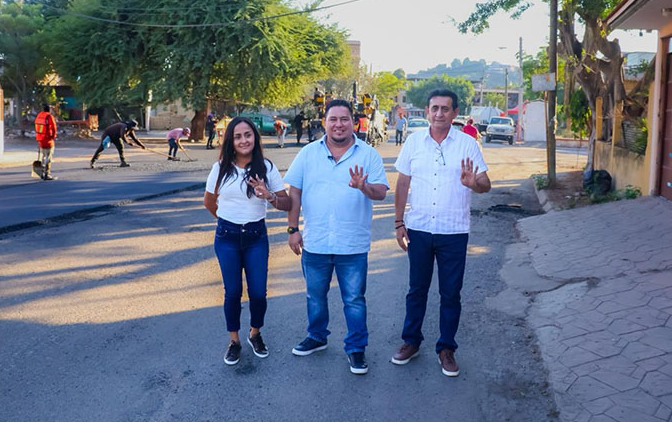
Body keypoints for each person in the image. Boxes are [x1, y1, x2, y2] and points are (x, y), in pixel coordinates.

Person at [284, 99, 389, 375]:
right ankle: (317, 337)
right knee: (315, 295)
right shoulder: (308, 154)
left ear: (353, 122)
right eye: (333, 119)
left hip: (352, 244)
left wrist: (364, 187)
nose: (339, 124)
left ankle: (356, 348)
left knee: (354, 299)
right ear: (325, 122)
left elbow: (381, 192)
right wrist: (293, 229)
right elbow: (294, 192)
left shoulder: (368, 155)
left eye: (344, 119)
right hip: (316, 242)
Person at [391, 89, 491, 377]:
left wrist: (473, 183)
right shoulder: (413, 142)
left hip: (453, 232)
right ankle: (411, 342)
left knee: (451, 293)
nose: (439, 114)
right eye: (434, 108)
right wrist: (399, 222)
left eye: (445, 109)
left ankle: (446, 348)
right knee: (416, 290)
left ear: (454, 113)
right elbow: (402, 184)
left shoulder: (467, 144)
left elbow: (485, 184)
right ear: (427, 111)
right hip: (419, 229)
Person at [204, 117, 291, 365]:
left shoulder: (266, 167)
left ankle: (255, 334)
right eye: (238, 136)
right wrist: (227, 221)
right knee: (232, 292)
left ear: (255, 137)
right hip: (227, 237)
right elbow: (209, 202)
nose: (244, 140)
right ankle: (234, 341)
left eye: (248, 135)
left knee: (258, 293)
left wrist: (269, 195)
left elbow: (286, 203)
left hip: (256, 237)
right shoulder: (220, 168)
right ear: (231, 140)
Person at [34, 104, 58, 180]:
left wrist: (39, 136)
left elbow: (36, 126)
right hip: (48, 139)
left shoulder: (39, 115)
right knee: (49, 156)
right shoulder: (49, 116)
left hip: (40, 139)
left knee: (43, 155)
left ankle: (42, 172)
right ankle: (47, 173)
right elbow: (53, 127)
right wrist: (53, 136)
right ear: (49, 109)